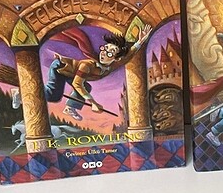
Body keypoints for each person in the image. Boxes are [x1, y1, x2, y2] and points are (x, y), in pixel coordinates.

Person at [13, 25, 151, 121]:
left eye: (110, 52)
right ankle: (21, 92)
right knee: (53, 95)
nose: (104, 53)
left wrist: (140, 41)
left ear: (116, 58)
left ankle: (70, 108)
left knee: (87, 87)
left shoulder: (113, 65)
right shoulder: (88, 65)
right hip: (61, 68)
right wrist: (93, 103)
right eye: (104, 49)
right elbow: (77, 84)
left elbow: (128, 55)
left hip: (72, 72)